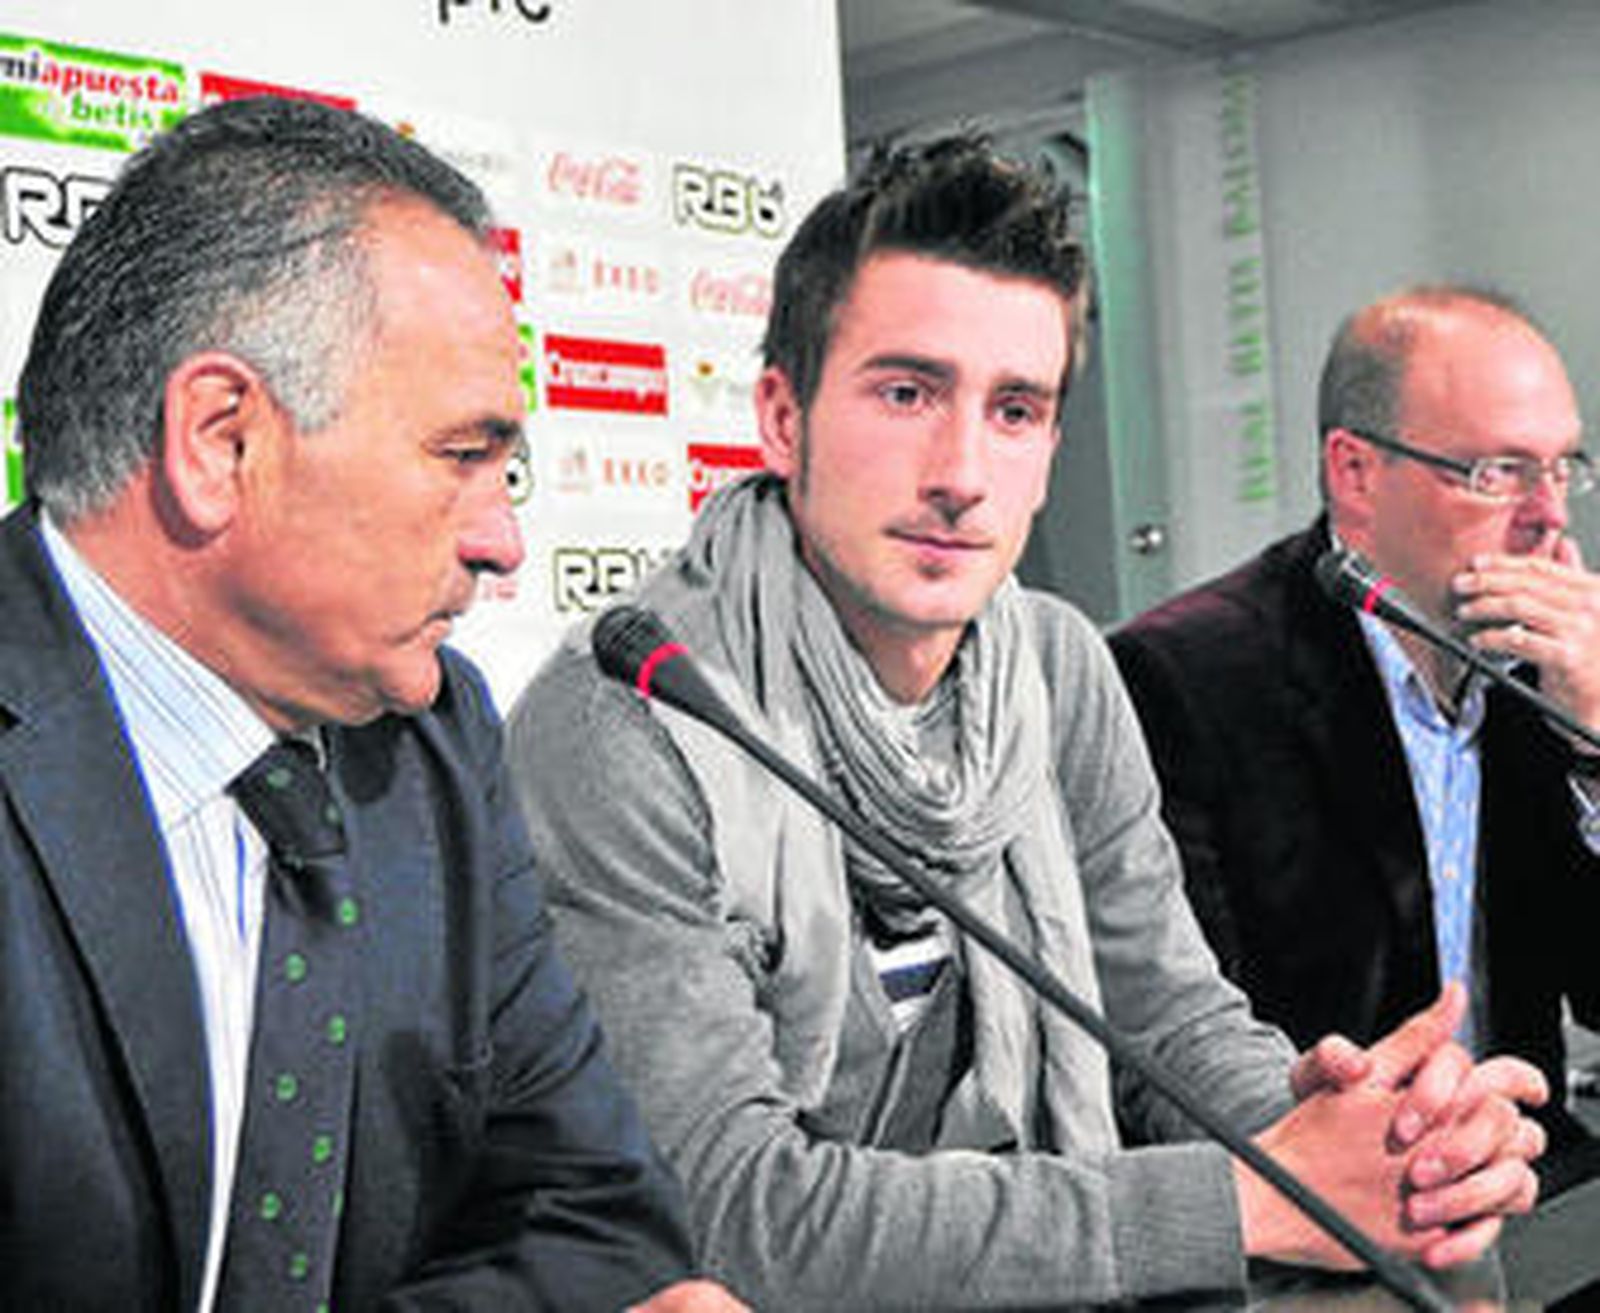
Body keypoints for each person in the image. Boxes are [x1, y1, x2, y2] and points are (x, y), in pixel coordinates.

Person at [507, 141, 1547, 1310]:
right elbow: (728, 1207)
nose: (960, 472)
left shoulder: (1057, 667)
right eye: (906, 393)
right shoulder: (631, 711)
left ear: (1049, 451)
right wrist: (1251, 1198)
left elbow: (1166, 1017)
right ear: (781, 416)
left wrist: (1357, 1141)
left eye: (1014, 410)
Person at [0, 95, 745, 1312]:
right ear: (221, 441)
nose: (503, 541)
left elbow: (601, 1214)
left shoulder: (433, 738)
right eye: (463, 456)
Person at [1110, 285, 1600, 1193]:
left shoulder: (1548, 672)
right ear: (1356, 474)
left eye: (1562, 467)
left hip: (1536, 1179)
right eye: (1499, 471)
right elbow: (1181, 1051)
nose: (1549, 514)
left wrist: (1597, 746)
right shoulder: (1183, 678)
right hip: (1325, 1199)